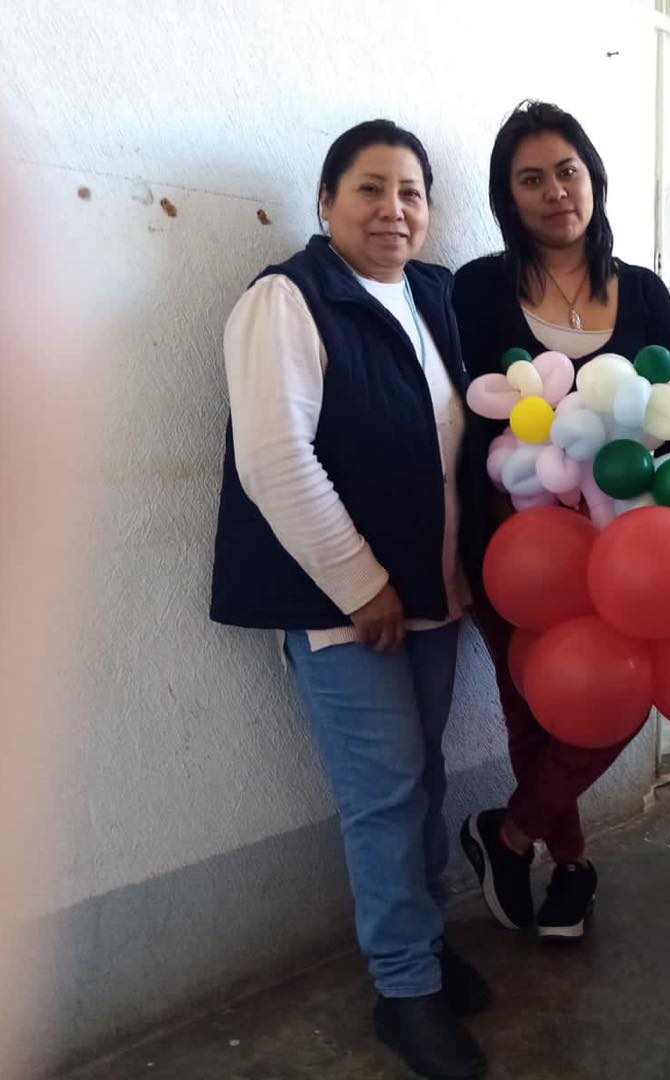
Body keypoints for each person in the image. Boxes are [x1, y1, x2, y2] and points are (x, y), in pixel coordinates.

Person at [208, 120, 490, 1080]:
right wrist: (362, 583)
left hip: (434, 596)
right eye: (370, 189)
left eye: (410, 192)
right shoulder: (288, 300)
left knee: (427, 785)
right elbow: (275, 459)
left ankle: (428, 944)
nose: (393, 209)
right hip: (347, 606)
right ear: (325, 203)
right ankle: (402, 992)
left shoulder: (434, 297)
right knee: (384, 798)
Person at [453, 100, 670, 941]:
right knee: (533, 710)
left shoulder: (648, 292)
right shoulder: (479, 289)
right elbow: (467, 420)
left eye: (567, 172)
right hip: (514, 549)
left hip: (627, 550)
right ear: (506, 197)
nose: (555, 192)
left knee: (614, 700)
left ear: (593, 178)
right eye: (531, 179)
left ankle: (508, 834)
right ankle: (574, 868)